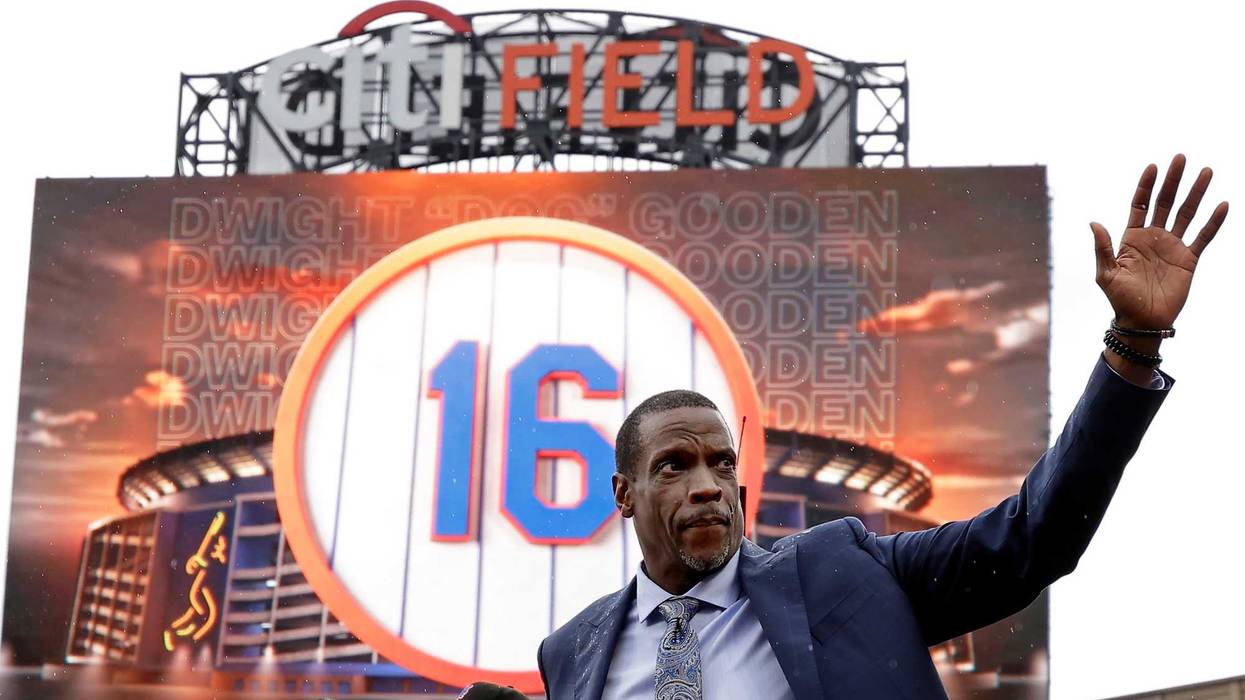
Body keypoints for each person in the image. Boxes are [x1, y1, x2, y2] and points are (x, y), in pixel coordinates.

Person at [535, 155, 1229, 699]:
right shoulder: (571, 652)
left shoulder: (842, 570)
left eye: (721, 463)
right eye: (674, 466)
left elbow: (1032, 535)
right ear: (622, 494)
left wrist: (1132, 343)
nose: (709, 485)